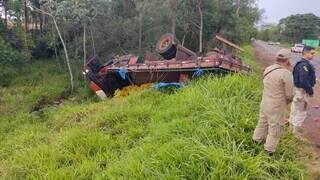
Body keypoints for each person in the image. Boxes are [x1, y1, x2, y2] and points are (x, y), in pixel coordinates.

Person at [253, 49, 294, 155]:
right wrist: (288, 102)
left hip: (264, 102)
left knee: (262, 123)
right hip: (276, 105)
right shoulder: (286, 74)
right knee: (275, 128)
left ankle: (255, 142)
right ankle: (269, 151)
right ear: (287, 61)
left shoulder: (268, 69)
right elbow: (289, 94)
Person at [289, 46, 317, 136]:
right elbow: (303, 80)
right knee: (301, 112)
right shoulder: (304, 65)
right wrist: (310, 91)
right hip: (302, 92)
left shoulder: (301, 63)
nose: (313, 55)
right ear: (306, 53)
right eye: (312, 53)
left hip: (298, 91)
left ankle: (290, 130)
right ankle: (295, 133)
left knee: (295, 110)